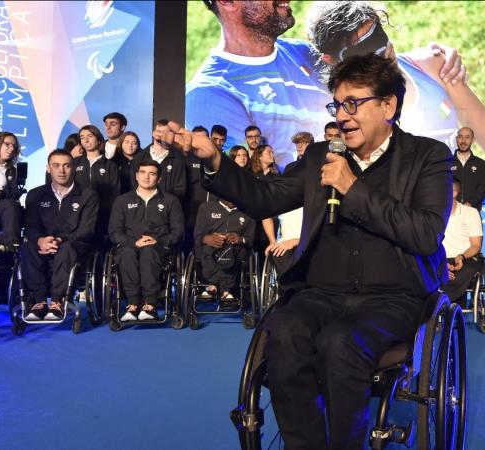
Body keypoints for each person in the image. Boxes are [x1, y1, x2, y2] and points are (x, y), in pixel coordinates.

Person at [185, 53, 452, 450]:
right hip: (321, 291)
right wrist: (213, 162)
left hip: (392, 296)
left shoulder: (428, 157)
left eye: (353, 104)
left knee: (340, 343)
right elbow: (262, 198)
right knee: (285, 333)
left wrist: (353, 189)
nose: (342, 116)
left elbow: (426, 234)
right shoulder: (320, 157)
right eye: (337, 105)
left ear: (389, 106)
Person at [190, 0, 465, 165]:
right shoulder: (211, 94)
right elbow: (248, 188)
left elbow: (378, 57)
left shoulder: (304, 53)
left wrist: (434, 58)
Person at [306, 0, 485, 158]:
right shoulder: (338, 115)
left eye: (377, 37)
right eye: (362, 49)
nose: (381, 53)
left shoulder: (434, 66)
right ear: (331, 60)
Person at [21, 150, 99, 321]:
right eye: (56, 166)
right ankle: (38, 301)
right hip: (43, 245)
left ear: (74, 169)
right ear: (48, 168)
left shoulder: (88, 195)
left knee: (67, 248)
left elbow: (86, 229)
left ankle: (58, 301)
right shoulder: (35, 195)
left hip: (74, 245)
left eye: (66, 166)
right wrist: (41, 240)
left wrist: (59, 239)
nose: (61, 170)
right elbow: (31, 227)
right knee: (27, 247)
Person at [108, 160, 184, 321]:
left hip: (160, 247)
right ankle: (133, 304)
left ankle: (150, 304)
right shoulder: (122, 201)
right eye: (142, 172)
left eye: (152, 173)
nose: (146, 177)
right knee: (127, 252)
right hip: (129, 246)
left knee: (149, 252)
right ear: (136, 175)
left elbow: (178, 232)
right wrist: (133, 242)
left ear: (159, 178)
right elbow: (114, 232)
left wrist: (158, 241)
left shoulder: (170, 201)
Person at [194, 199, 255, 308]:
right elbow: (197, 236)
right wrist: (206, 238)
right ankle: (215, 286)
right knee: (209, 248)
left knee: (228, 249)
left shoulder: (249, 211)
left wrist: (240, 239)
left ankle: (221, 289)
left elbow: (251, 239)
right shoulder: (206, 208)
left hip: (236, 252)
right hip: (210, 251)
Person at [74, 125, 122, 242]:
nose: (86, 140)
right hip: (77, 215)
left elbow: (115, 194)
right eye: (82, 137)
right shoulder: (74, 163)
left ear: (99, 140)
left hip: (102, 216)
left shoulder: (110, 166)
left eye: (90, 136)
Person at [443, 179, 484, 303]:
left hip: (465, 257)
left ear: (454, 193)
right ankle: (438, 308)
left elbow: (476, 245)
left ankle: (452, 308)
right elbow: (428, 242)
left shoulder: (471, 213)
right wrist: (440, 263)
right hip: (439, 258)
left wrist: (461, 257)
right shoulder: (432, 213)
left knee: (462, 273)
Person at [131, 119, 188, 201]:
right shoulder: (139, 157)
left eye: (166, 132)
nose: (162, 135)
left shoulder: (178, 159)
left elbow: (180, 189)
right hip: (142, 207)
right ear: (153, 133)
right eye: (159, 131)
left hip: (168, 208)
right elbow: (133, 185)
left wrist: (165, 204)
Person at [451, 127, 485, 210]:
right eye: (460, 137)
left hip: (472, 210)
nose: (463, 141)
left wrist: (471, 203)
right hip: (451, 211)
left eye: (467, 137)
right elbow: (442, 187)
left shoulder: (480, 163)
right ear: (456, 139)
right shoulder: (447, 162)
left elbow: (482, 188)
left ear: (473, 140)